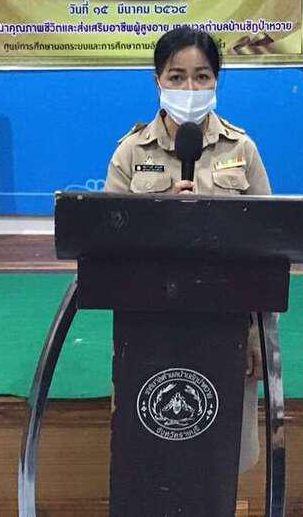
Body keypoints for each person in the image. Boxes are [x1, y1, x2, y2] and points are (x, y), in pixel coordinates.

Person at [104, 25, 271, 473]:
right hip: (149, 322)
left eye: (202, 76)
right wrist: (159, 215)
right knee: (152, 441)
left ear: (217, 81)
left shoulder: (242, 149)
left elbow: (268, 251)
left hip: (226, 319)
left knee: (222, 450)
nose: (190, 89)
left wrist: (259, 335)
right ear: (157, 80)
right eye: (176, 77)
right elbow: (107, 247)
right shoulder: (131, 153)